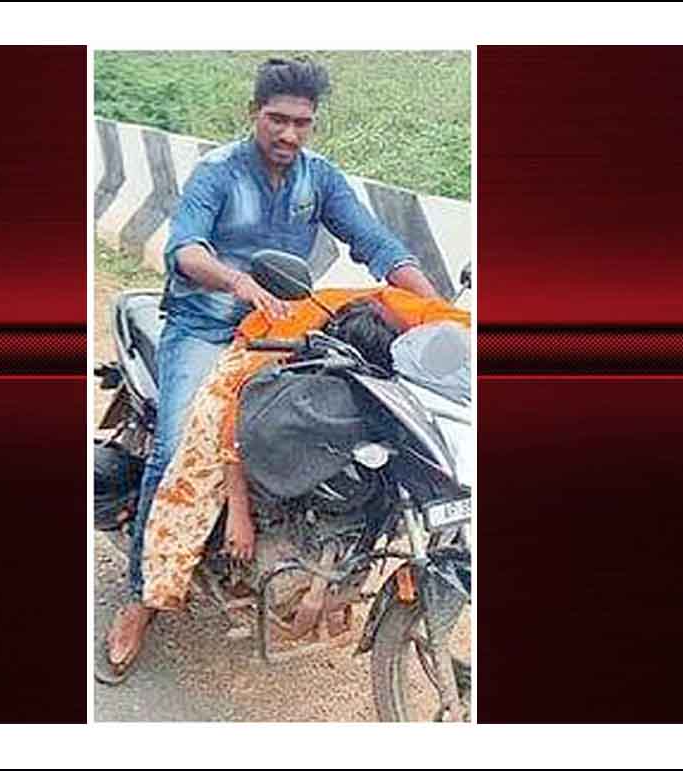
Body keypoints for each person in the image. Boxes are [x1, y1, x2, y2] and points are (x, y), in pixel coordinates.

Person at [113, 56, 441, 666]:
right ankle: (142, 597)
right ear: (254, 114)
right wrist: (237, 281)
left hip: (282, 325)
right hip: (205, 325)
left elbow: (378, 246)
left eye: (302, 122)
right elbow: (185, 249)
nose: (289, 133)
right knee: (179, 446)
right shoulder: (218, 173)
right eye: (277, 119)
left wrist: (439, 315)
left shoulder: (319, 179)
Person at [104, 286, 468, 681]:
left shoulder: (396, 309)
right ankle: (142, 602)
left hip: (343, 363)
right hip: (246, 352)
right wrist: (239, 513)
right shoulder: (280, 353)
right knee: (184, 471)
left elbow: (455, 325)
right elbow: (233, 424)